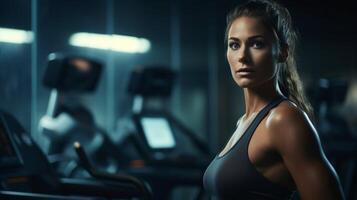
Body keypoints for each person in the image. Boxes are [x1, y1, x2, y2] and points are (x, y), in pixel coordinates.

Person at [203, 0, 345, 199]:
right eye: (234, 45)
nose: (242, 56)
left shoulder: (282, 119)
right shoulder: (244, 122)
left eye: (256, 44)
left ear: (283, 53)